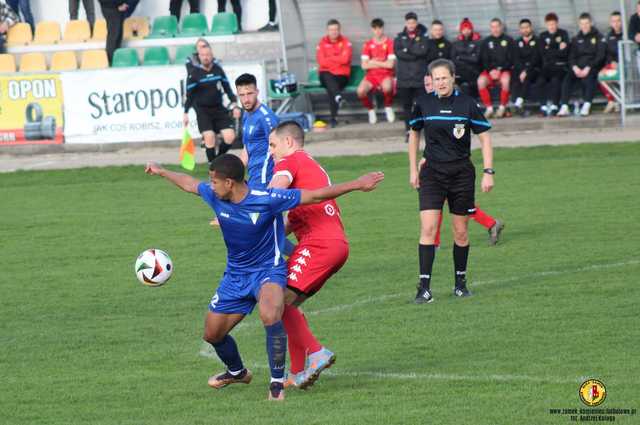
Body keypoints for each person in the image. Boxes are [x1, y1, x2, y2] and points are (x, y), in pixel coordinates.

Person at [144, 154, 384, 400]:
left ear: (229, 182)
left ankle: (276, 385)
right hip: (235, 276)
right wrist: (162, 170)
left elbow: (315, 195)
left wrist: (357, 183)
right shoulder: (215, 196)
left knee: (270, 314)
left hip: (268, 271)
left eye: (214, 181)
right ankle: (237, 372)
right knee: (212, 334)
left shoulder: (267, 199)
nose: (210, 186)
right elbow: (188, 183)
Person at [267, 121, 350, 389]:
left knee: (277, 304)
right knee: (286, 306)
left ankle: (317, 352)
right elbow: (296, 219)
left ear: (289, 142)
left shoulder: (288, 163)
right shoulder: (310, 164)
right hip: (335, 243)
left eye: (273, 145)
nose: (271, 152)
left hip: (318, 244)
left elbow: (273, 193)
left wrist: (244, 211)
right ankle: (296, 372)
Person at [408, 59, 494, 304]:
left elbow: (485, 137)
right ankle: (424, 289)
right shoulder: (423, 103)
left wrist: (489, 171)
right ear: (431, 81)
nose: (441, 82)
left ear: (453, 78)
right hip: (432, 174)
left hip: (461, 174)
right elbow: (414, 135)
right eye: (436, 78)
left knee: (461, 232)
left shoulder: (467, 104)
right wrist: (413, 169)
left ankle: (460, 284)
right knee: (428, 228)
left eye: (444, 77)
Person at [184, 43, 241, 168]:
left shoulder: (218, 70)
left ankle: (217, 161)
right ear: (199, 57)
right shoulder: (194, 73)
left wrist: (235, 105)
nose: (206, 57)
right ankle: (213, 168)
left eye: (208, 55)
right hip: (203, 111)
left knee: (230, 137)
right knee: (209, 137)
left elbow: (228, 89)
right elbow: (189, 95)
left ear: (212, 56)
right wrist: (185, 113)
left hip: (219, 109)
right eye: (203, 55)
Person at [235, 73, 278, 189]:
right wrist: (234, 172)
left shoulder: (266, 117)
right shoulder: (246, 114)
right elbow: (247, 147)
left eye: (249, 94)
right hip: (253, 177)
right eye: (242, 95)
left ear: (257, 92)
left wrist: (278, 180)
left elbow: (280, 148)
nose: (246, 99)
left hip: (266, 178)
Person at [557, 13, 605, 117]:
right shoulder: (576, 38)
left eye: (586, 23)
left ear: (591, 23)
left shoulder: (598, 36)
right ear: (579, 25)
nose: (584, 26)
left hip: (592, 67)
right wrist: (574, 67)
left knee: (589, 79)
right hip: (578, 68)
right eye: (582, 24)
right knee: (567, 79)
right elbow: (571, 56)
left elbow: (600, 56)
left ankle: (587, 105)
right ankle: (564, 106)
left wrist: (589, 67)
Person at [394, 12, 428, 139]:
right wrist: (415, 51)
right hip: (404, 78)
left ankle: (425, 130)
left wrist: (407, 49)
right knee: (407, 106)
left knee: (422, 105)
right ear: (406, 23)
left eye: (413, 22)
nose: (411, 25)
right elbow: (398, 54)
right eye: (409, 22)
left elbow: (423, 51)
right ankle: (409, 131)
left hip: (419, 78)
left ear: (416, 23)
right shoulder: (399, 38)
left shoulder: (424, 37)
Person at [358, 18, 396, 124]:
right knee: (360, 91)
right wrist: (381, 62)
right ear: (372, 29)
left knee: (387, 87)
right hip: (371, 76)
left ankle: (388, 107)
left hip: (385, 74)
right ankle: (371, 110)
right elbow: (364, 66)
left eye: (380, 28)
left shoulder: (389, 43)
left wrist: (373, 62)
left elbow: (390, 64)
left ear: (383, 28)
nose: (377, 31)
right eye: (375, 29)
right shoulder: (368, 44)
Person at [316, 19, 353, 128]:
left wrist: (330, 59)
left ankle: (334, 117)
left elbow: (345, 60)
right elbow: (321, 61)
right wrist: (337, 60)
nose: (334, 32)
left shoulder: (346, 42)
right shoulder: (322, 43)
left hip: (341, 77)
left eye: (336, 29)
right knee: (328, 76)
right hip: (326, 75)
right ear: (327, 31)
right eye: (331, 30)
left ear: (339, 30)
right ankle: (337, 99)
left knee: (331, 87)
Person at [478, 18, 515, 118]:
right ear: (490, 28)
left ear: (501, 27)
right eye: (493, 27)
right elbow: (484, 59)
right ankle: (489, 109)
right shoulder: (486, 42)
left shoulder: (509, 40)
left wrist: (500, 70)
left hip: (504, 70)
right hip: (490, 71)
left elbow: (511, 59)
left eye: (497, 26)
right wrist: (491, 70)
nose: (495, 29)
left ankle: (502, 108)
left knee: (506, 81)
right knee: (481, 81)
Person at [537, 12, 570, 117]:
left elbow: (564, 53)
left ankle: (555, 105)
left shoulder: (563, 34)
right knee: (540, 81)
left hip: (560, 66)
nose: (551, 26)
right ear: (546, 25)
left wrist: (549, 49)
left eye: (553, 24)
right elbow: (543, 53)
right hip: (547, 66)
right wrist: (557, 49)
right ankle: (543, 106)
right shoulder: (543, 36)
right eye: (549, 24)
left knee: (556, 80)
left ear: (557, 24)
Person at [512, 18, 541, 116]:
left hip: (534, 69)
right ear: (520, 30)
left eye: (527, 27)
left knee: (528, 77)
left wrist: (526, 71)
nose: (525, 30)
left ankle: (519, 102)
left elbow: (536, 58)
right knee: (514, 78)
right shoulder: (517, 42)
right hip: (521, 70)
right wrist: (521, 71)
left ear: (531, 28)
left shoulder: (537, 41)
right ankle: (516, 103)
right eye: (523, 28)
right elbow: (516, 59)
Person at [451, 17, 482, 96]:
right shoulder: (456, 43)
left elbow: (476, 59)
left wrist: (461, 57)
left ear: (471, 29)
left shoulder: (478, 42)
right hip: (460, 72)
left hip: (474, 72)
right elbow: (453, 59)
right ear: (461, 30)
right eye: (464, 29)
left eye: (468, 29)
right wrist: (469, 57)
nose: (466, 31)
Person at [600, 11, 623, 114]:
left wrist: (619, 62)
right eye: (614, 21)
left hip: (627, 68)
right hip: (614, 67)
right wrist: (611, 62)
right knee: (601, 75)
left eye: (618, 21)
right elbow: (607, 54)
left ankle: (619, 101)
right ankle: (612, 100)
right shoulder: (609, 37)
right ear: (610, 23)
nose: (616, 23)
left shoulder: (627, 34)